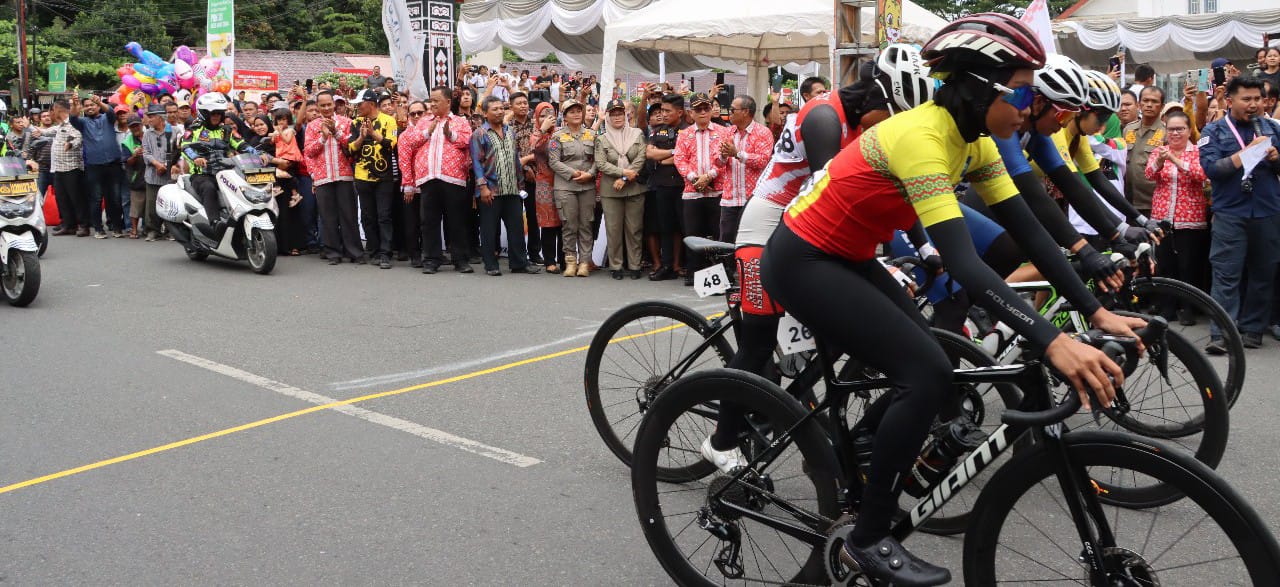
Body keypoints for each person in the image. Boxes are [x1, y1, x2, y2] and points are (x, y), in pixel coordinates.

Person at [754, 14, 1144, 584]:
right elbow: (963, 264)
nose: (1030, 106)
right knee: (928, 371)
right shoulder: (923, 137)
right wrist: (1053, 340)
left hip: (850, 255)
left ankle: (862, 457)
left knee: (930, 350)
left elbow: (1031, 228)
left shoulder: (977, 139)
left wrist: (1095, 309)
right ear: (984, 88)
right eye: (1025, 91)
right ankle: (867, 538)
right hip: (802, 258)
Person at [1198, 76, 1280, 351]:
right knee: (1226, 273)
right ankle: (1220, 334)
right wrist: (1244, 155)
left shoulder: (1271, 128)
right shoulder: (1215, 131)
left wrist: (1275, 158)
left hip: (1267, 212)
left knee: (1264, 272)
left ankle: (1252, 329)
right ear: (1230, 101)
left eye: (1258, 98)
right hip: (1230, 213)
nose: (1253, 104)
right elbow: (1212, 169)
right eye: (1247, 99)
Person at [399, 86, 475, 274]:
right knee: (429, 221)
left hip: (453, 178)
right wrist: (427, 132)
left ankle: (460, 259)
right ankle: (432, 259)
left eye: (436, 101)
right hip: (429, 178)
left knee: (456, 220)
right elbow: (411, 142)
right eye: (430, 100)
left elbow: (468, 142)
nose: (432, 104)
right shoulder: (424, 122)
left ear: (448, 102)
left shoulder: (460, 122)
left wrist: (450, 134)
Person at [1145, 110, 1210, 324]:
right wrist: (1161, 162)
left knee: (1188, 265)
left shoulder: (1197, 152)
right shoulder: (1159, 151)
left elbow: (1201, 175)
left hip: (1190, 217)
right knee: (1166, 264)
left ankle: (1188, 308)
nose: (1175, 133)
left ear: (1189, 130)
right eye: (1171, 129)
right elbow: (1149, 174)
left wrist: (1175, 159)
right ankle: (1167, 308)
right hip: (1164, 216)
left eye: (1179, 129)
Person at [470, 96, 541, 276]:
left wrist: (520, 185)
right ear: (485, 113)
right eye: (495, 109)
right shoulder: (479, 134)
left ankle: (519, 263)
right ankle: (491, 265)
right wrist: (483, 187)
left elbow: (515, 159)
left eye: (502, 108)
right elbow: (477, 164)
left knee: (516, 228)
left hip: (512, 189)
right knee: (489, 229)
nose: (500, 111)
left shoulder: (510, 131)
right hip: (491, 191)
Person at [673, 92, 726, 286]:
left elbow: (724, 158)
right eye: (698, 109)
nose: (703, 112)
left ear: (712, 110)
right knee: (693, 234)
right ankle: (694, 273)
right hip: (692, 191)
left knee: (717, 234)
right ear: (691, 113)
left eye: (706, 108)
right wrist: (695, 178)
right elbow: (680, 159)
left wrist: (710, 175)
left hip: (717, 189)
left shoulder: (723, 132)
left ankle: (718, 276)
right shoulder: (685, 134)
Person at [304, 91, 363, 264]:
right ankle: (333, 253)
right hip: (323, 177)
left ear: (334, 104)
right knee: (328, 217)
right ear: (318, 106)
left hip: (344, 175)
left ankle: (354, 252)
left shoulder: (347, 122)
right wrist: (323, 136)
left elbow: (352, 146)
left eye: (329, 104)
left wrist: (336, 132)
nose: (326, 108)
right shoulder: (313, 126)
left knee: (349, 216)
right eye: (322, 105)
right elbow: (309, 151)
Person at [178, 92, 245, 237]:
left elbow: (242, 145)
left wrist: (261, 154)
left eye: (219, 113)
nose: (216, 116)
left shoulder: (226, 130)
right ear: (204, 114)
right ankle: (215, 223)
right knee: (209, 188)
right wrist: (195, 157)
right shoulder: (194, 130)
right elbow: (185, 147)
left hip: (226, 173)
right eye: (212, 113)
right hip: (202, 175)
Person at [595, 98, 647, 279]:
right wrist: (622, 172)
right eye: (613, 113)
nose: (617, 116)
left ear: (626, 115)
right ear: (608, 116)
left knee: (634, 229)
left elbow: (641, 158)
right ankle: (615, 265)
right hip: (611, 190)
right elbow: (601, 163)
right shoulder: (602, 138)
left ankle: (635, 265)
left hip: (635, 188)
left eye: (620, 113)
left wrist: (625, 177)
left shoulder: (637, 133)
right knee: (613, 229)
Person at [348, 88, 399, 269]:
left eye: (360, 104)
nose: (358, 108)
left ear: (370, 104)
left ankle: (385, 253)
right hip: (362, 176)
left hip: (384, 177)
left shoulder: (389, 120)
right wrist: (362, 137)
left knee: (384, 216)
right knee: (368, 217)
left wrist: (373, 133)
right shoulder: (355, 122)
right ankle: (374, 251)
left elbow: (391, 145)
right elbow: (350, 149)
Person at [547, 99, 598, 278]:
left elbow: (599, 160)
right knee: (569, 225)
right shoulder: (557, 136)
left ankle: (584, 262)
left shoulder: (592, 134)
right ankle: (570, 261)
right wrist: (574, 173)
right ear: (565, 116)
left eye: (579, 111)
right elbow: (553, 161)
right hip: (565, 186)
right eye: (571, 112)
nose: (576, 114)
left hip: (587, 186)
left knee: (586, 225)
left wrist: (590, 174)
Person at [716, 94, 772, 244]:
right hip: (730, 198)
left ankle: (746, 268)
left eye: (733, 110)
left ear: (746, 112)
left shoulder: (763, 133)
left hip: (752, 198)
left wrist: (737, 154)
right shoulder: (727, 132)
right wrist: (722, 156)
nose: (729, 112)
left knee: (750, 241)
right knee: (726, 241)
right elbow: (718, 163)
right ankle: (728, 268)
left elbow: (762, 161)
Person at [69, 93, 124, 238]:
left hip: (113, 164)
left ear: (97, 106)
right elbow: (72, 118)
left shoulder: (108, 118)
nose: (89, 107)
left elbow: (111, 111)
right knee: (96, 199)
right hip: (94, 166)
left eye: (92, 105)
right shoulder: (82, 123)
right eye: (86, 106)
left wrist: (99, 102)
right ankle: (99, 229)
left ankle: (117, 227)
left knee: (114, 198)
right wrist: (75, 105)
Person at [645, 94, 686, 280]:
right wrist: (672, 152)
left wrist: (669, 157)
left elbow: (683, 158)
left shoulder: (689, 131)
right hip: (661, 185)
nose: (663, 114)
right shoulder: (657, 131)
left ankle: (681, 265)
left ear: (680, 112)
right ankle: (667, 265)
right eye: (662, 110)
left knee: (683, 228)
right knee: (665, 227)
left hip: (683, 185)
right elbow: (651, 154)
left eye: (668, 111)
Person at [507, 92, 541, 265]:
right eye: (519, 103)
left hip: (537, 177)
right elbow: (510, 154)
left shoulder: (536, 123)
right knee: (516, 218)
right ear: (511, 106)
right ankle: (518, 254)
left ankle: (535, 252)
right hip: (515, 178)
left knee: (534, 217)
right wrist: (526, 166)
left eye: (525, 102)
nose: (523, 106)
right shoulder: (508, 127)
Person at [530, 101, 563, 272]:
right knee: (548, 223)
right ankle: (550, 261)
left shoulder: (561, 132)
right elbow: (532, 148)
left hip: (564, 180)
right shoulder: (536, 133)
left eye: (549, 114)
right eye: (542, 115)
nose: (546, 118)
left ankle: (565, 260)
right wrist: (543, 129)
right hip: (544, 182)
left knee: (565, 221)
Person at [1124, 86, 1166, 217]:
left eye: (1154, 102)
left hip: (1153, 202)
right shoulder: (1128, 129)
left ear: (1162, 106)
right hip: (1128, 200)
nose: (1149, 105)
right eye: (1145, 100)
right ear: (1138, 104)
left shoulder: (1167, 132)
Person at [49, 100, 88, 237]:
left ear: (57, 110)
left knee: (76, 198)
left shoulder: (73, 123)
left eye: (52, 110)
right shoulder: (59, 126)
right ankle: (68, 225)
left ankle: (83, 225)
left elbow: (78, 138)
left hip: (71, 168)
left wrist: (70, 144)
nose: (51, 113)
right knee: (62, 198)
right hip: (59, 168)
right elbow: (46, 132)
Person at [140, 104, 175, 242]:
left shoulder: (174, 131)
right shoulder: (147, 134)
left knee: (170, 204)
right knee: (152, 205)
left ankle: (170, 230)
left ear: (160, 118)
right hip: (152, 175)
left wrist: (166, 165)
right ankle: (153, 231)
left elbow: (177, 151)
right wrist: (156, 164)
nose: (149, 120)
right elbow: (146, 152)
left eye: (151, 117)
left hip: (170, 175)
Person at [121, 115, 147, 239]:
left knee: (150, 205)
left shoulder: (150, 135)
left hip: (152, 174)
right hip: (136, 176)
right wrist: (135, 155)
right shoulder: (127, 142)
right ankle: (134, 230)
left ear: (141, 124)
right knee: (136, 205)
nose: (135, 128)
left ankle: (148, 229)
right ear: (129, 128)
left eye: (137, 125)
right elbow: (127, 162)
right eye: (132, 126)